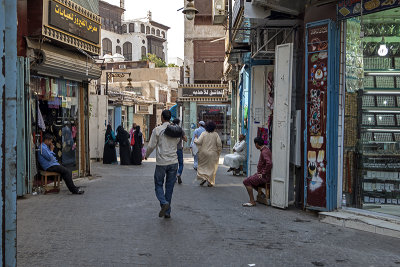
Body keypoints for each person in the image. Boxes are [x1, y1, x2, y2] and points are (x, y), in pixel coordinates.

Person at [145, 110, 180, 219]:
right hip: (174, 162)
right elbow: (178, 141)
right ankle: (167, 212)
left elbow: (151, 145)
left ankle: (164, 203)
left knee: (158, 184)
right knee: (169, 187)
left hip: (161, 162)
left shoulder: (157, 130)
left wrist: (146, 155)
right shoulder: (175, 130)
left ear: (162, 117)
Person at [242, 137, 272, 207]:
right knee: (251, 180)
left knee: (246, 181)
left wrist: (263, 173)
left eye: (255, 144)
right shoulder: (265, 150)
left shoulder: (264, 151)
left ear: (257, 144)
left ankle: (252, 201)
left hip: (264, 176)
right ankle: (262, 195)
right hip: (263, 175)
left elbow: (269, 163)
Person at [194, 121, 222, 187]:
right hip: (213, 153)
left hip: (203, 153)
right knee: (211, 168)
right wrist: (219, 152)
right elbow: (219, 144)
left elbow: (198, 142)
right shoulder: (216, 134)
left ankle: (203, 177)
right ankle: (210, 182)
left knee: (203, 166)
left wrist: (195, 138)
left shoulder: (203, 133)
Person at [173, 118, 187, 184]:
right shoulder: (180, 130)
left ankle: (174, 177)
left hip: (172, 149)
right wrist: (181, 138)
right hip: (179, 148)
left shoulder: (170, 129)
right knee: (181, 163)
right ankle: (179, 173)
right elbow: (186, 139)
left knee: (174, 163)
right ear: (179, 123)